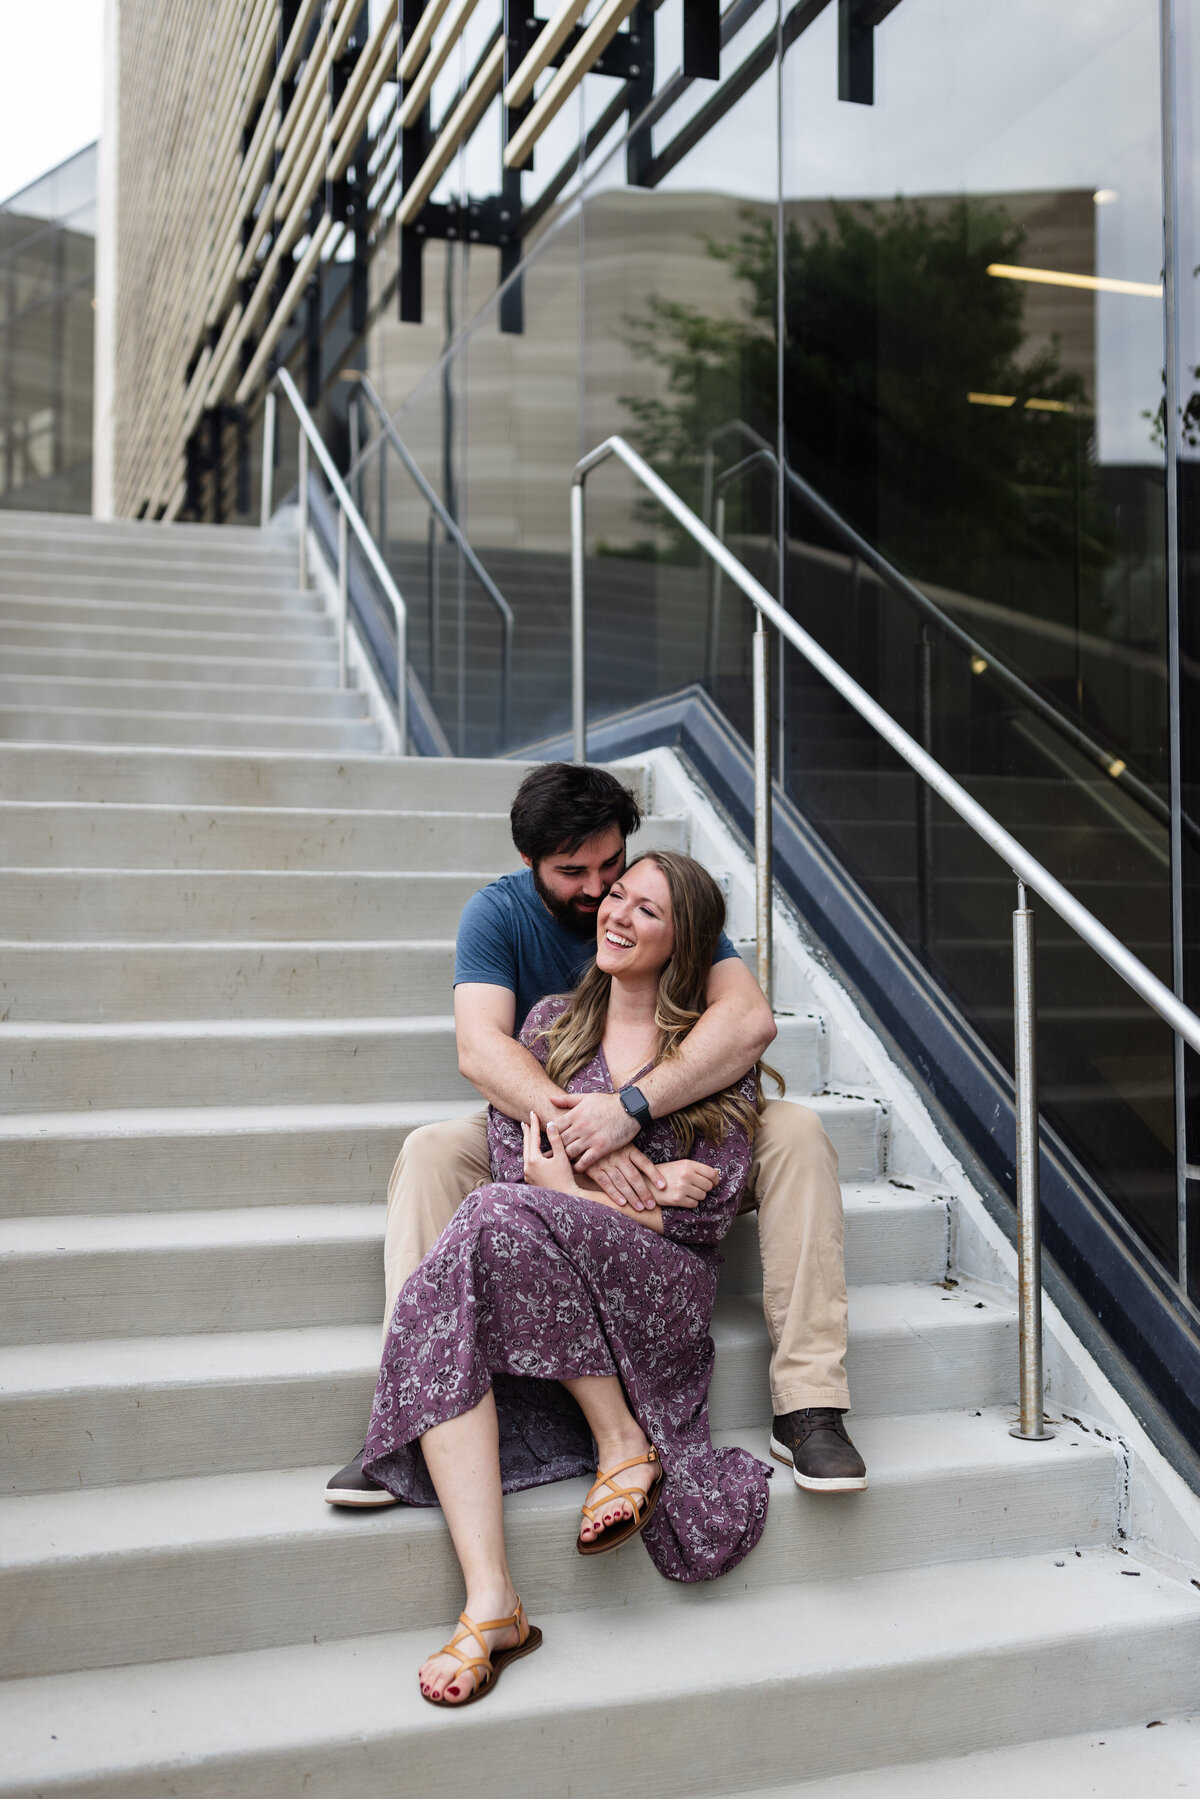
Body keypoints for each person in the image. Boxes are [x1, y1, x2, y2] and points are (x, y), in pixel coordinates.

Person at [326, 762, 866, 1504]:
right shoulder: (499, 915)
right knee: (430, 1152)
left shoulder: (659, 895)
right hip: (553, 1109)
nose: (599, 889)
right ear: (529, 863)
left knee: (799, 1131)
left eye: (611, 864)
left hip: (680, 1121)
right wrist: (588, 1133)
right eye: (575, 872)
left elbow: (748, 1022)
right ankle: (415, 1401)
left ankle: (810, 1402)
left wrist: (628, 1112)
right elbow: (482, 1050)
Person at [363, 852, 772, 1706]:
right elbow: (521, 1171)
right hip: (554, 1252)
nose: (617, 912)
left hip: (663, 1287)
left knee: (489, 1222)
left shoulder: (703, 1054)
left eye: (646, 909)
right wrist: (642, 1191)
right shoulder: (551, 1025)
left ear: (684, 941)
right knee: (486, 1227)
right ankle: (492, 1599)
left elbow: (710, 1211)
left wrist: (589, 1196)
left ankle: (625, 1445)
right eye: (617, 895)